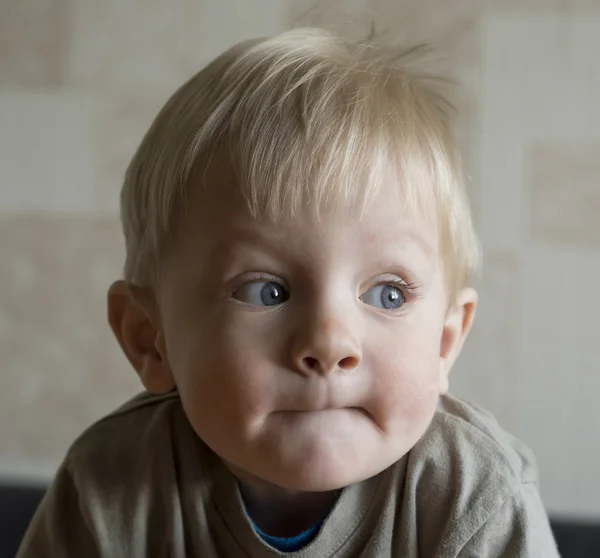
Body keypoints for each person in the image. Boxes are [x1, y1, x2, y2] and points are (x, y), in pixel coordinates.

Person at [18, 27, 559, 557]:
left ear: (445, 344)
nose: (330, 344)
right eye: (265, 291)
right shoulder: (108, 487)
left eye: (388, 294)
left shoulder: (473, 496)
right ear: (149, 340)